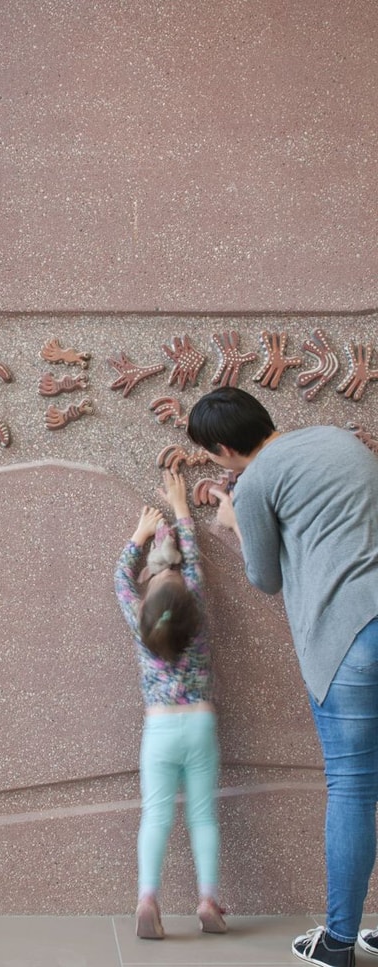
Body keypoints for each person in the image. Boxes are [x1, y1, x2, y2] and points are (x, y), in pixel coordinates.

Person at [186, 386, 378, 967]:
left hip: (349, 637)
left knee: (353, 787)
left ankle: (339, 943)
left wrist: (231, 517)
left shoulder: (256, 482)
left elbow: (265, 577)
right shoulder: (339, 439)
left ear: (222, 449)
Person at [114, 468, 227, 940]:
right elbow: (194, 561)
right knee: (202, 813)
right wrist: (182, 509)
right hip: (199, 725)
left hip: (158, 729)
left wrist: (140, 536)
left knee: (155, 814)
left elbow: (121, 579)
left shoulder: (141, 623)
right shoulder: (197, 615)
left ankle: (147, 898)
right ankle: (207, 900)